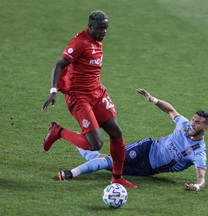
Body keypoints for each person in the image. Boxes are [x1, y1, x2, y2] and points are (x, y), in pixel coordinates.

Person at [41, 10, 137, 188]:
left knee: (116, 133)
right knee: (95, 144)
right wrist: (53, 91)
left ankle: (117, 178)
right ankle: (57, 131)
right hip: (79, 97)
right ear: (90, 27)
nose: (104, 32)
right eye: (101, 28)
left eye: (106, 28)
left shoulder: (97, 40)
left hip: (97, 93)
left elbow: (89, 69)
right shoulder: (80, 42)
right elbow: (59, 64)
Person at [58, 88, 208, 191]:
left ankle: (73, 137)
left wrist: (197, 186)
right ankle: (70, 173)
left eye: (197, 122)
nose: (192, 124)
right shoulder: (184, 124)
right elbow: (171, 110)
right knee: (110, 162)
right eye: (193, 119)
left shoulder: (199, 152)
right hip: (146, 148)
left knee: (106, 163)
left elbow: (201, 177)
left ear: (205, 127)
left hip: (147, 170)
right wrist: (153, 99)